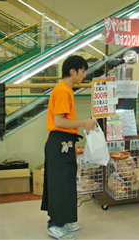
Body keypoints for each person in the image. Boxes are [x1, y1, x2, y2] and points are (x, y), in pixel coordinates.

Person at [41, 55, 97, 240]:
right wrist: (84, 123)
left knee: (65, 183)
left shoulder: (65, 90)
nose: (84, 76)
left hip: (64, 142)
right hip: (60, 143)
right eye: (82, 72)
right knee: (59, 184)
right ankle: (54, 224)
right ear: (73, 71)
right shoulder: (64, 91)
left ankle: (63, 219)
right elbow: (59, 120)